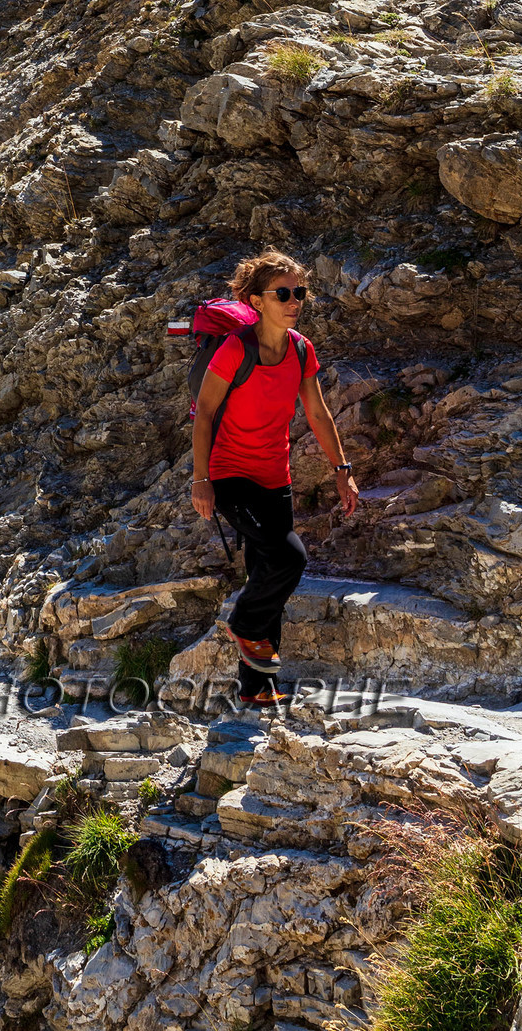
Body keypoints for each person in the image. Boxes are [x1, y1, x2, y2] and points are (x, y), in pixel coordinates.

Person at [190, 250, 359, 708]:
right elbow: (204, 413)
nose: (294, 300)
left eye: (299, 292)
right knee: (289, 559)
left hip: (274, 476)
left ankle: (255, 690)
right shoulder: (235, 349)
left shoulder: (301, 349)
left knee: (268, 573)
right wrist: (200, 479)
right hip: (229, 476)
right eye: (283, 293)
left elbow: (319, 414)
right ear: (257, 301)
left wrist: (341, 470)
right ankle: (243, 624)